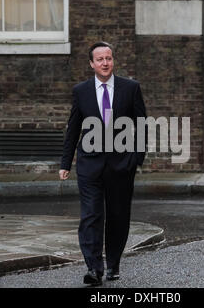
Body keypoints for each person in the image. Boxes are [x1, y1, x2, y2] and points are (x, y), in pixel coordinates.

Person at [59, 41, 146, 286]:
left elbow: (141, 125)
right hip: (89, 165)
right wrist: (65, 162)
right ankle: (93, 268)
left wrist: (136, 159)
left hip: (121, 165)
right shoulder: (81, 91)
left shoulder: (130, 88)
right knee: (91, 216)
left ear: (113, 61)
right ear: (91, 64)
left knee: (118, 216)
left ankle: (113, 264)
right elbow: (73, 128)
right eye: (100, 59)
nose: (105, 63)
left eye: (108, 58)